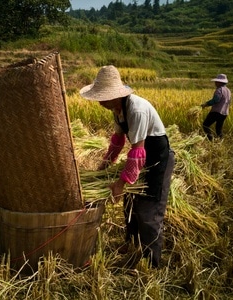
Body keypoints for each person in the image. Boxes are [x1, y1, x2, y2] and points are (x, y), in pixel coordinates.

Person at [80, 65, 175, 268]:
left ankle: (151, 263)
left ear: (116, 95)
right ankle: (131, 243)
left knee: (149, 210)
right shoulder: (118, 110)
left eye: (104, 97)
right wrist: (104, 167)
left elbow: (138, 151)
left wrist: (121, 183)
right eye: (99, 97)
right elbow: (118, 141)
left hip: (157, 159)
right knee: (131, 204)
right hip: (141, 158)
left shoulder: (136, 110)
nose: (101, 102)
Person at [201, 74, 231, 141]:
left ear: (220, 82)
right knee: (218, 128)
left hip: (217, 112)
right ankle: (220, 141)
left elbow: (216, 100)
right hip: (225, 113)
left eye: (216, 81)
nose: (215, 83)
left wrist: (206, 104)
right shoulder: (228, 90)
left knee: (206, 125)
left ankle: (211, 139)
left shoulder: (219, 90)